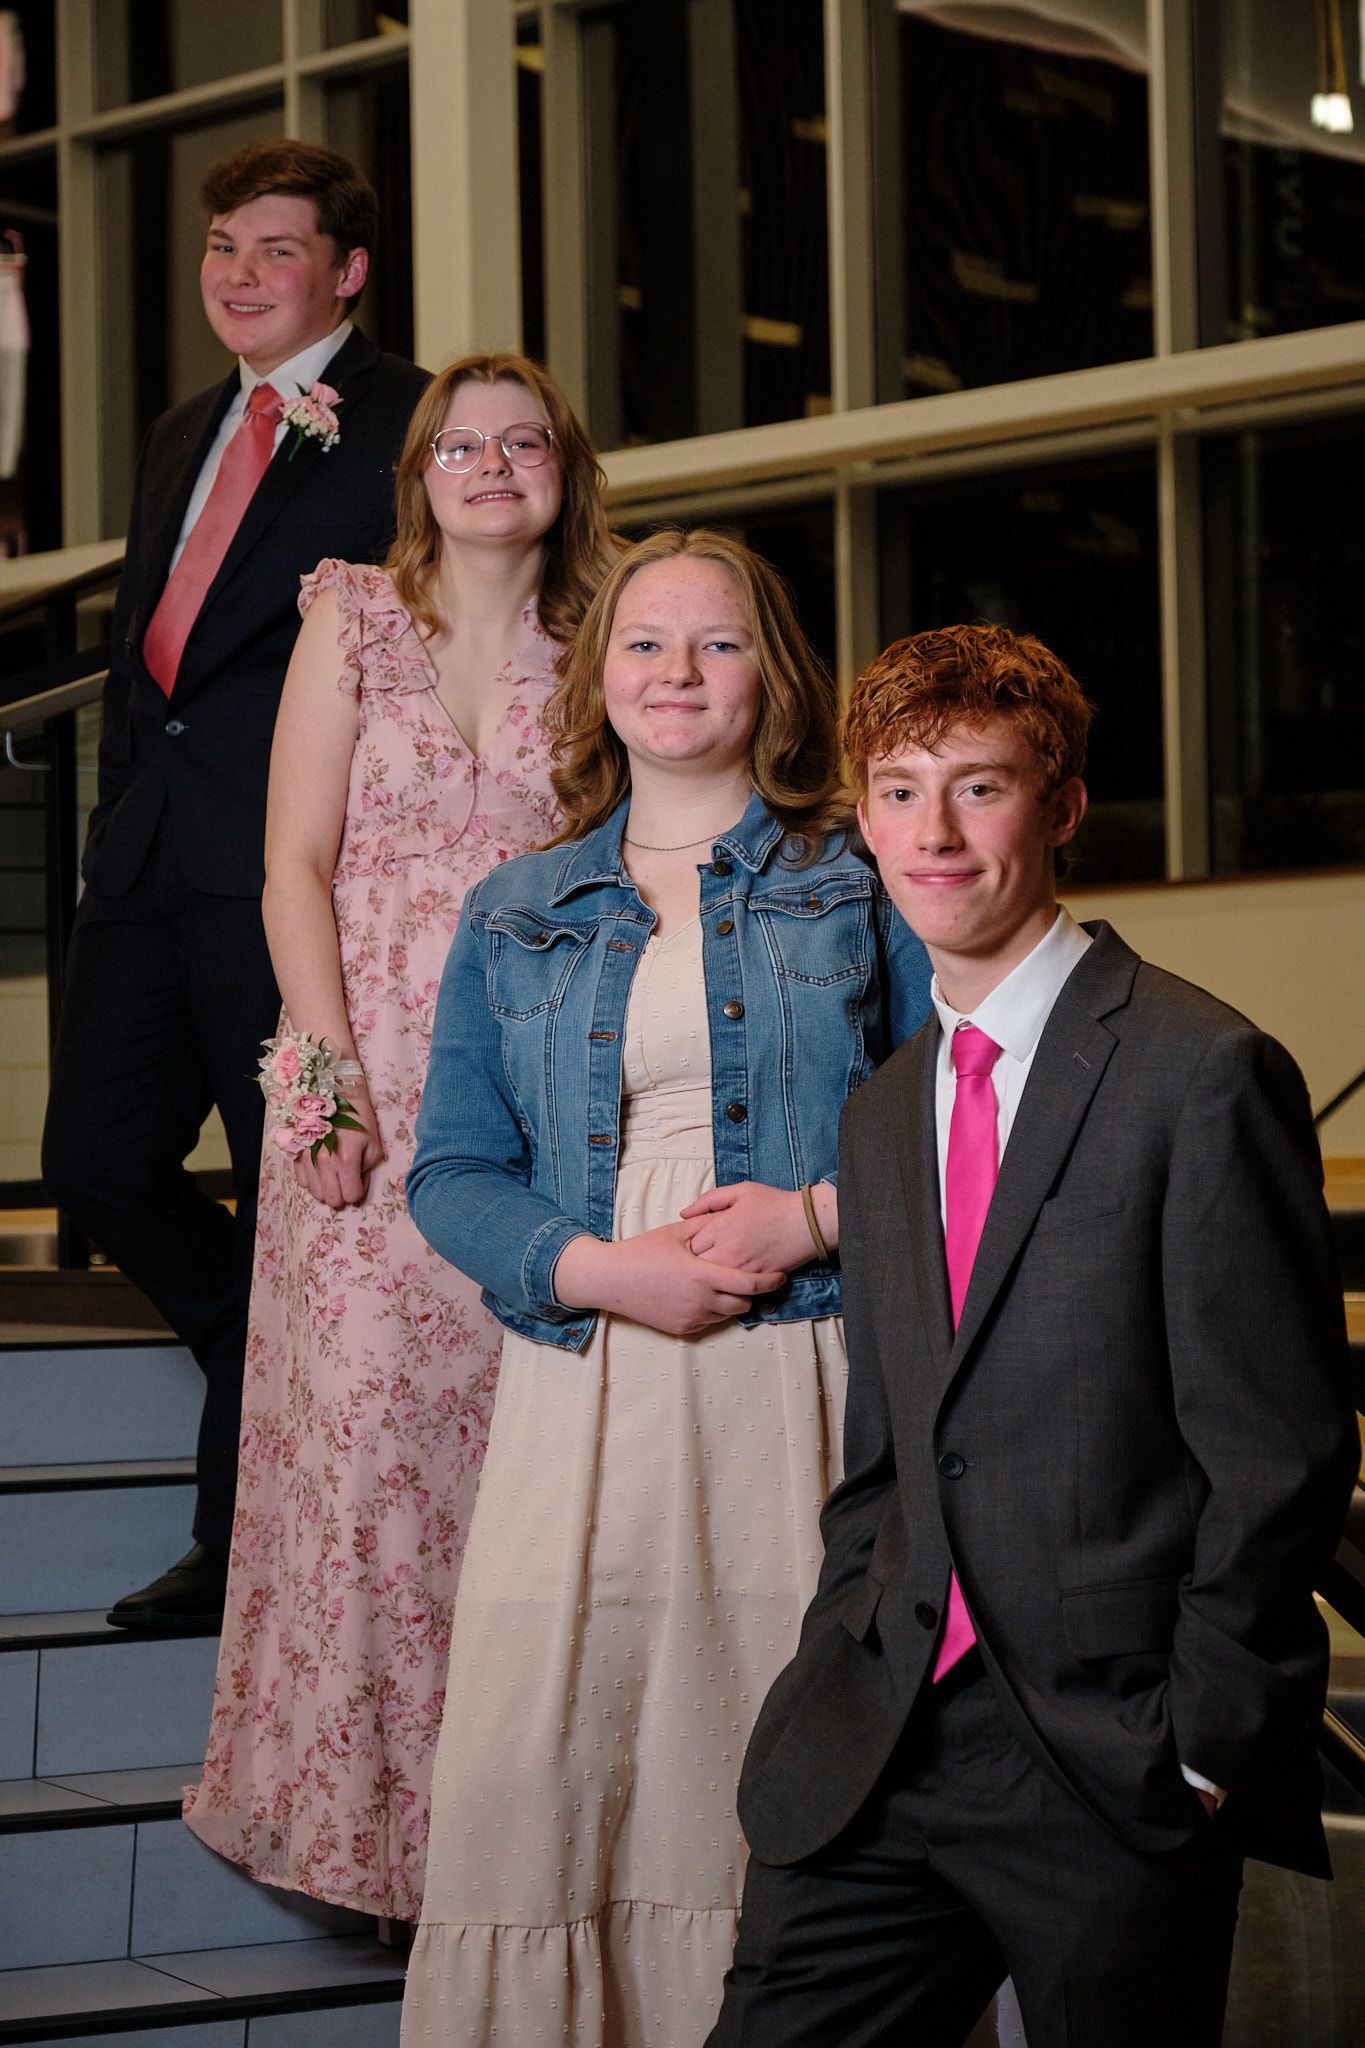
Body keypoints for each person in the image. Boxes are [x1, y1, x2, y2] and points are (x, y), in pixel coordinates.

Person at [709, 623, 1359, 2048]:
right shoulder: (881, 1113)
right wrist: (847, 1642)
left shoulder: (1199, 1074)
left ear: (1059, 808)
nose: (929, 833)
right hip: (880, 1743)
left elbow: (1278, 1452)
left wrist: (1195, 1743)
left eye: (978, 788)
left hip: (1107, 1761)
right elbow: (884, 1452)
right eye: (895, 791)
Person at [399, 527, 933, 2043]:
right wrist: (595, 1267)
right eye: (645, 643)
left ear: (771, 674)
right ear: (598, 676)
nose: (677, 673)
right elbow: (450, 1169)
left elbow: (968, 1116)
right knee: (547, 1748)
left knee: (774, 1729)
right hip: (584, 1377)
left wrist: (813, 1220)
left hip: (804, 1370)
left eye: (715, 643)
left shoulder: (857, 876)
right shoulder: (515, 904)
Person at [182, 353, 617, 1920]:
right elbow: (291, 863)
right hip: (366, 1076)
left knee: (516, 1466)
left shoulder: (608, 639)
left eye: (521, 442)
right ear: (418, 471)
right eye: (458, 443)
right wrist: (325, 1078)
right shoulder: (351, 616)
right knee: (365, 1451)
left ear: (564, 468)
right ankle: (366, 1844)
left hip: (538, 1092)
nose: (489, 464)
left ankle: (518, 1846)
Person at [41, 140, 429, 1628]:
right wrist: (124, 807)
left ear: (346, 270)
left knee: (293, 1203)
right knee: (96, 1162)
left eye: (276, 249)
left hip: (293, 872)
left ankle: (238, 1544)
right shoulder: (180, 428)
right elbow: (163, 652)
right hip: (147, 859)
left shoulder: (411, 421)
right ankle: (257, 1354)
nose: (239, 274)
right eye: (221, 245)